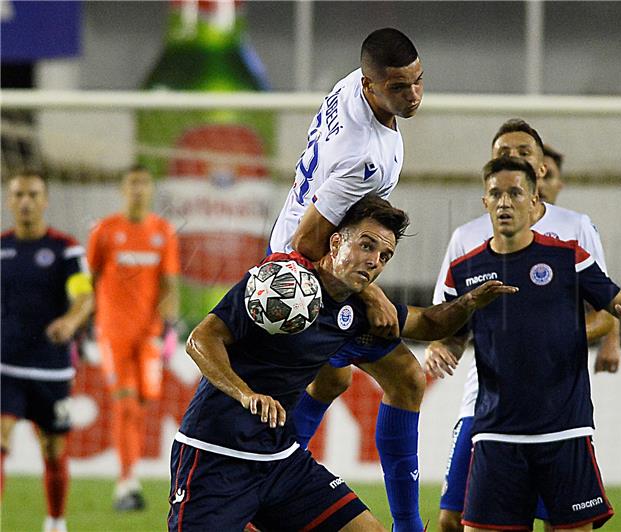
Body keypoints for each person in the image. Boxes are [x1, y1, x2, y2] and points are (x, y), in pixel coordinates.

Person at [171, 195, 515, 531]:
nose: (375, 261)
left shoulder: (358, 309)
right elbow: (201, 340)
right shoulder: (278, 281)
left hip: (281, 462)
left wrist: (470, 301)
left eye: (385, 256)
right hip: (214, 456)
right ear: (335, 243)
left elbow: (428, 324)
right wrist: (246, 394)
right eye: (367, 246)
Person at [424, 120, 621, 532]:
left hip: (554, 406)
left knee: (559, 521)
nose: (513, 159)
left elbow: (605, 301)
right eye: (505, 154)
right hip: (485, 405)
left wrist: (599, 341)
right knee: (452, 517)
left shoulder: (574, 229)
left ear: (541, 169)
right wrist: (443, 345)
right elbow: (449, 315)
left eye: (523, 154)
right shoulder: (468, 239)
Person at [267, 28, 426, 530]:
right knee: (406, 379)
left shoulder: (351, 87)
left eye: (419, 81)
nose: (414, 95)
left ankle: (264, 484)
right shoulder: (363, 158)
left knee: (331, 376)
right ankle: (408, 526)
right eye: (400, 88)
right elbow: (310, 243)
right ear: (372, 85)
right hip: (307, 273)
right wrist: (371, 291)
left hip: (289, 248)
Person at [1, 173, 94, 532]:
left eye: (33, 194)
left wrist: (71, 322)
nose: (25, 201)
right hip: (5, 365)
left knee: (53, 451)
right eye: (18, 194)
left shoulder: (65, 250)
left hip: (51, 370)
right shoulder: (2, 248)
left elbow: (84, 296)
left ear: (45, 201)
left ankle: (55, 522)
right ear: (10, 201)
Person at [86, 166, 180, 511]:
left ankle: (130, 475)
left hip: (149, 335)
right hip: (112, 333)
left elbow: (169, 285)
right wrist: (84, 324)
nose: (138, 190)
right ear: (122, 189)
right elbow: (90, 281)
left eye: (143, 184)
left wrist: (170, 328)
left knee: (140, 407)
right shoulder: (105, 231)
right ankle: (126, 483)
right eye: (132, 184)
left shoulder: (163, 232)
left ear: (151, 189)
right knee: (124, 403)